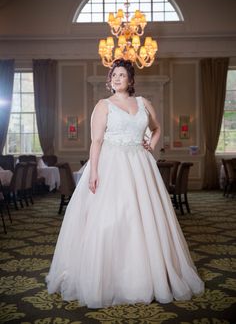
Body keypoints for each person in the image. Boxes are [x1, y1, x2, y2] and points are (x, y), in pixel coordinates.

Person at [46, 59, 204, 308]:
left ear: (130, 80)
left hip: (140, 165)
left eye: (122, 75)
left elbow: (157, 128)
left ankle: (144, 274)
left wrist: (150, 146)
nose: (117, 78)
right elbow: (96, 142)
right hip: (111, 164)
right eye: (114, 75)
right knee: (113, 217)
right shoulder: (103, 105)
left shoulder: (143, 103)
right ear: (110, 80)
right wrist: (94, 171)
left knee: (144, 218)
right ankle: (108, 276)